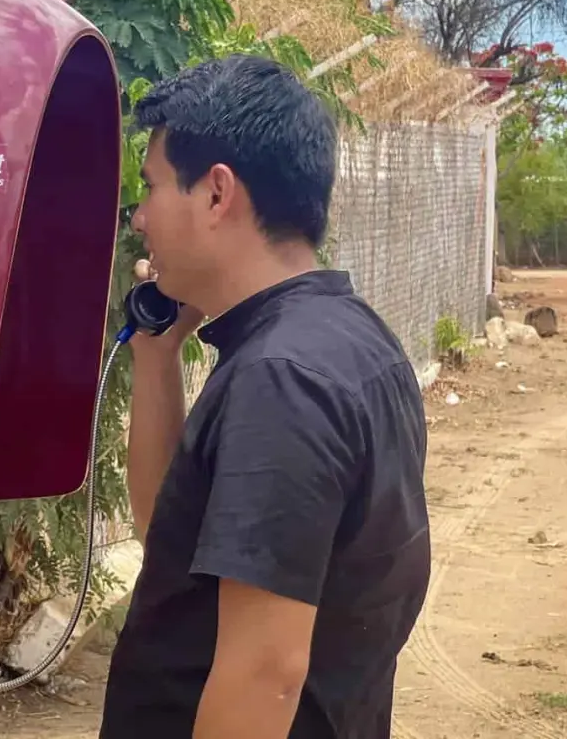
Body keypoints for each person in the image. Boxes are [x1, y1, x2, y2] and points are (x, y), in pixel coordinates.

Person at [99, 54, 432, 739]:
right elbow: (168, 538)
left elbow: (266, 672)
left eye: (152, 187)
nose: (139, 217)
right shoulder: (346, 338)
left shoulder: (282, 380)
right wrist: (157, 360)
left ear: (217, 195)